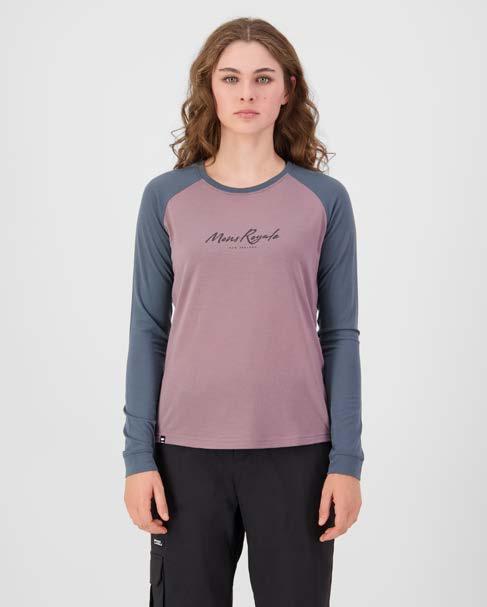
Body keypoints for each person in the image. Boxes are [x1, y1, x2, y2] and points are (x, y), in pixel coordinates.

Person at [122, 17, 364, 607]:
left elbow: (339, 336)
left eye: (263, 78)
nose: (247, 93)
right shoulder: (166, 197)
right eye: (231, 78)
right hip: (184, 456)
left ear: (287, 89)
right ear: (210, 87)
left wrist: (347, 462)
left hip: (298, 455)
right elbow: (148, 331)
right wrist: (137, 457)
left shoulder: (324, 200)